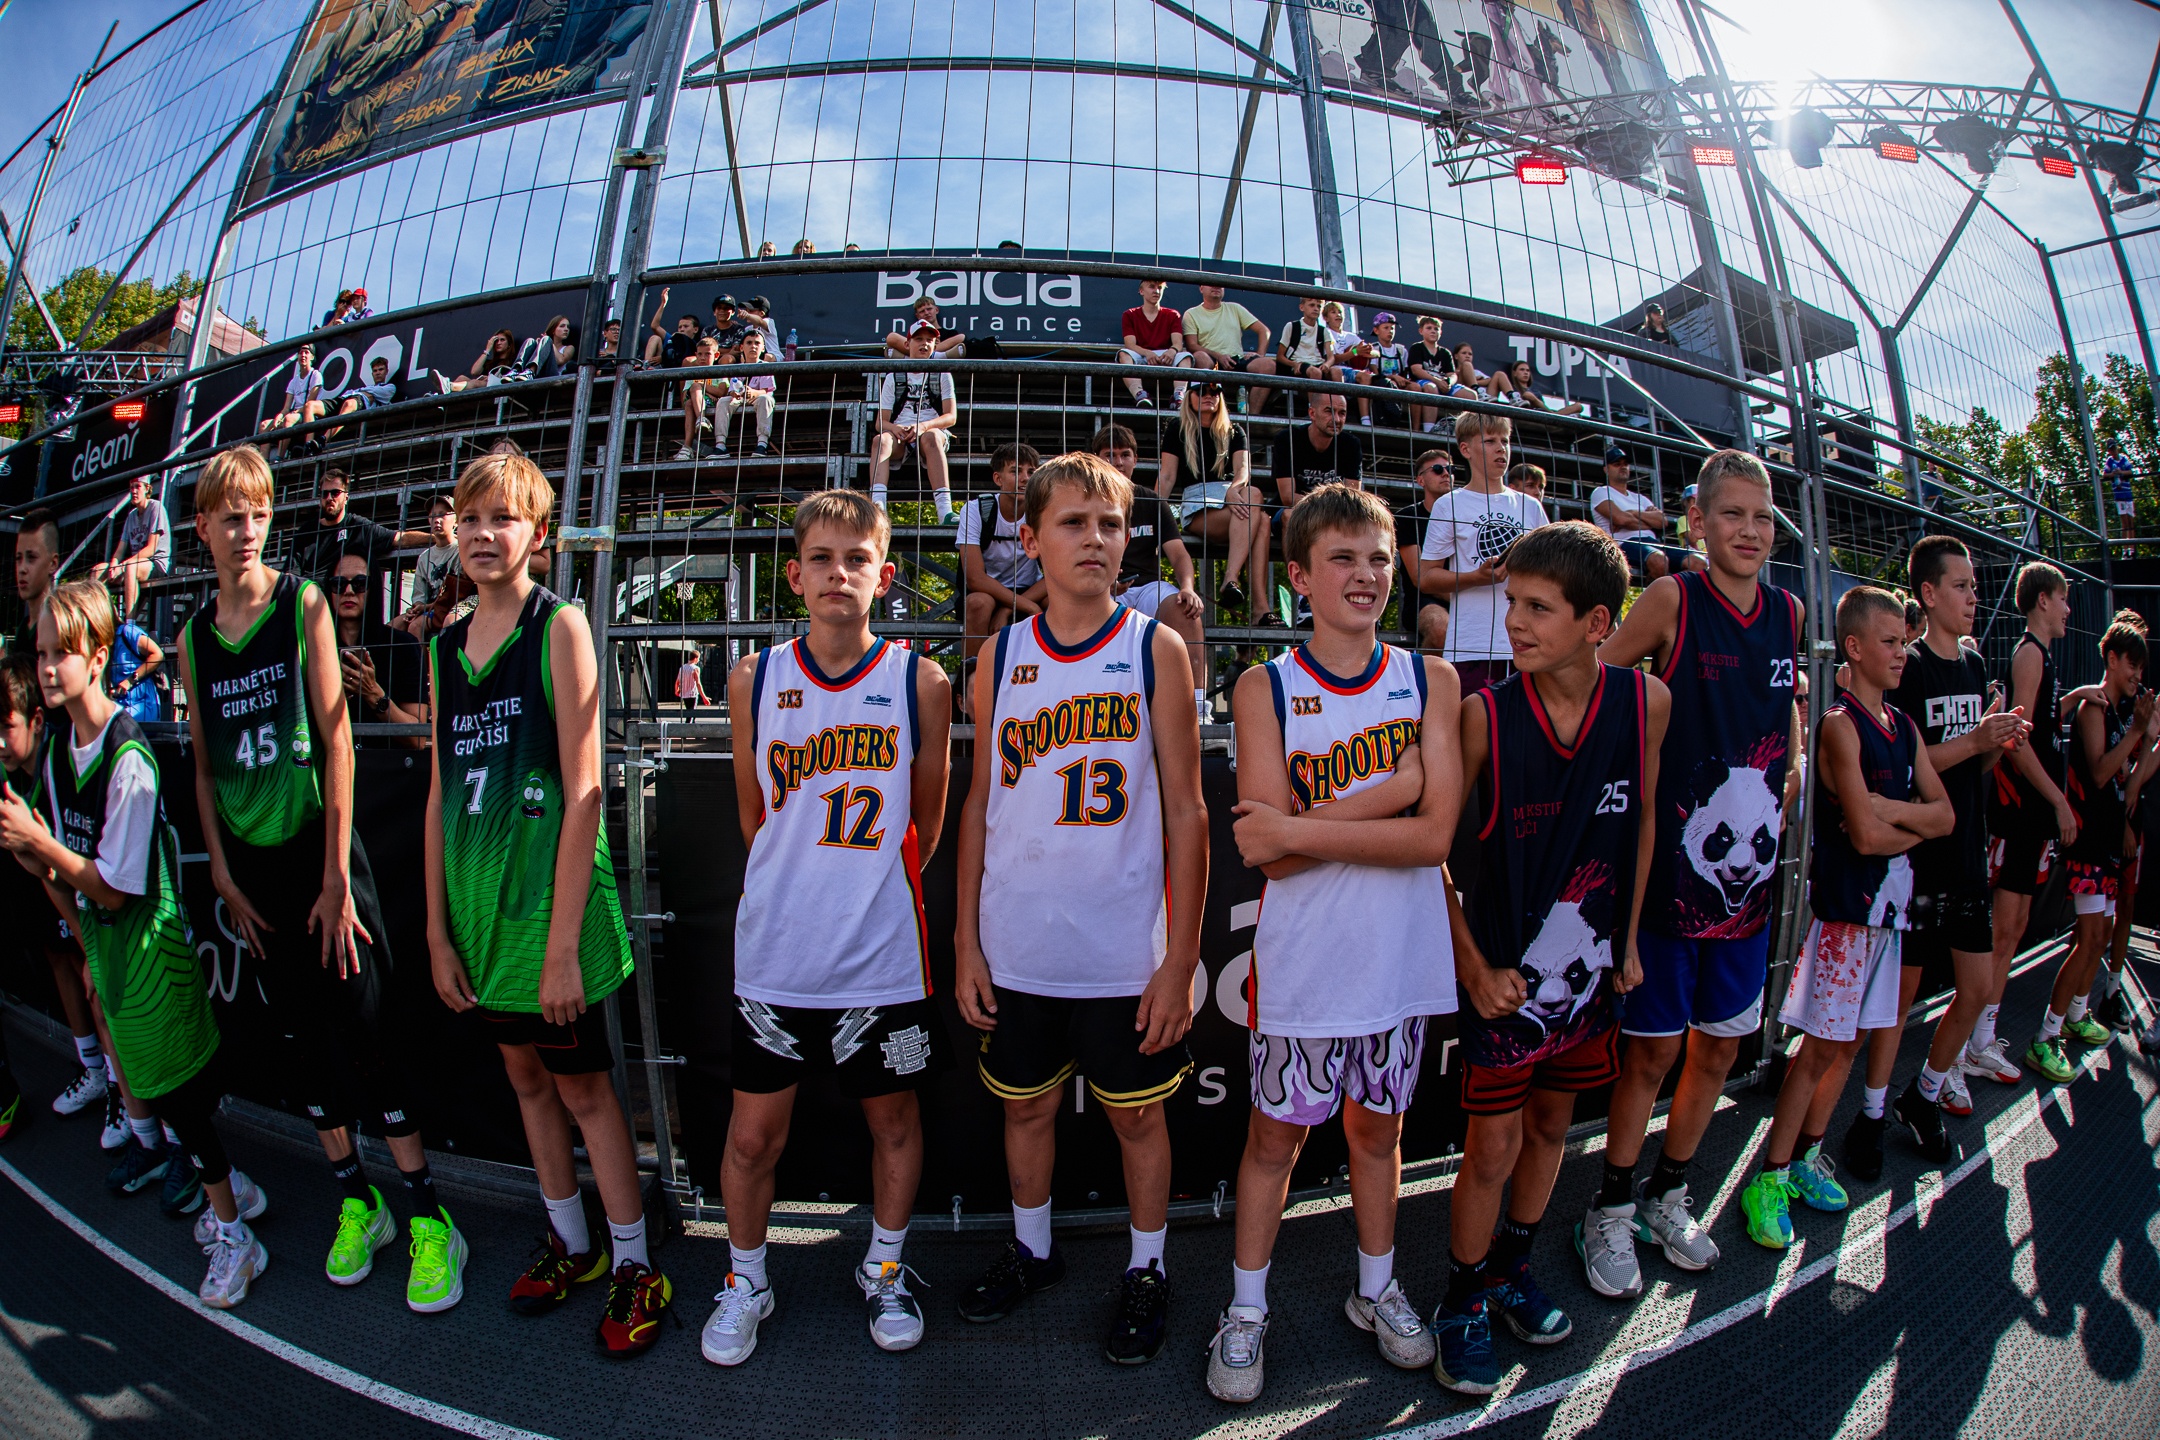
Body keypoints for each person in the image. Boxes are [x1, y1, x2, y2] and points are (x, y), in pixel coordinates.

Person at [177, 445, 461, 1308]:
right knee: (303, 1044)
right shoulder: (194, 637)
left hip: (321, 857)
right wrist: (223, 875)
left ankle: (427, 1216)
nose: (247, 530)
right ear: (203, 527)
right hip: (253, 874)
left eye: (260, 514)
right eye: (231, 516)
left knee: (366, 1033)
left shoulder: (300, 602)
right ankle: (357, 1202)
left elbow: (338, 738)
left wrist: (337, 874)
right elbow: (203, 767)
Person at [1205, 485, 1462, 1403]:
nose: (1366, 574)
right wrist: (1392, 791)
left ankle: (1375, 1287)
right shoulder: (1264, 685)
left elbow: (1434, 840)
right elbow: (1270, 859)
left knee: (1377, 1132)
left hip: (1397, 963)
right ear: (1300, 576)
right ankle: (1245, 1310)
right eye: (1343, 558)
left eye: (1380, 557)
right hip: (1307, 965)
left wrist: (1306, 825)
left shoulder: (1431, 680)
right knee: (1274, 1139)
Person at [952, 452, 1207, 1365]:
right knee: (1025, 1111)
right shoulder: (1000, 654)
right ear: (1028, 539)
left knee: (1137, 1117)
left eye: (1110, 523)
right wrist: (966, 941)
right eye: (1072, 522)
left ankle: (1148, 1267)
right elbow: (979, 803)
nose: (1095, 538)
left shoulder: (1154, 647)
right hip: (1018, 943)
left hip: (1121, 950)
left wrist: (1180, 959)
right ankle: (1033, 1249)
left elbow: (1187, 811)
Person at [424, 449, 669, 1355]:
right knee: (525, 1081)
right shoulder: (445, 645)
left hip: (549, 914)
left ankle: (636, 1263)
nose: (485, 534)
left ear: (540, 532)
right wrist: (436, 929)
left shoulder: (559, 625)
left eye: (504, 518)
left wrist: (563, 945)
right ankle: (573, 1243)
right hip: (479, 911)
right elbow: (439, 792)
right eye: (471, 518)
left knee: (586, 1092)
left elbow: (585, 789)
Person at [702, 491, 954, 1366]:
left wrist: (860, 891)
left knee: (894, 1125)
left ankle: (883, 1268)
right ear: (795, 574)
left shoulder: (920, 682)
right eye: (821, 557)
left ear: (885, 577)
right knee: (750, 1138)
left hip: (882, 961)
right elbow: (753, 817)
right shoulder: (754, 678)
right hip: (775, 955)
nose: (838, 573)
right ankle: (746, 1279)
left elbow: (926, 823)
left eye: (857, 559)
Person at [1431, 521, 1667, 1395]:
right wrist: (1472, 966)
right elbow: (1430, 856)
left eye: (1538, 608)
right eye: (1512, 603)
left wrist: (1629, 936)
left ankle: (1511, 1267)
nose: (1515, 623)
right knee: (1490, 1148)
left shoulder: (1646, 703)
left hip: (1589, 976)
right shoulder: (1484, 716)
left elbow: (1643, 823)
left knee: (1553, 1129)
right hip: (1504, 978)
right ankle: (1461, 1297)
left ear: (1598, 622)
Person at [0, 581, 271, 1308]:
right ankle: (233, 1193)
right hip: (114, 957)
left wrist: (41, 848)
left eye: (61, 653)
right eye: (41, 653)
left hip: (155, 957)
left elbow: (114, 889)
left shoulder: (129, 757)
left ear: (98, 657)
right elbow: (70, 883)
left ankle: (237, 1237)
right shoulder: (59, 752)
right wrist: (41, 866)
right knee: (168, 1099)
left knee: (182, 1103)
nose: (47, 668)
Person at [1586, 450, 1801, 1292]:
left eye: (1763, 516)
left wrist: (1793, 760)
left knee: (1719, 1049)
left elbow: (1783, 706)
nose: (1750, 530)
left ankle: (1668, 1195)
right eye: (1733, 514)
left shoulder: (1787, 611)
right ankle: (1608, 1206)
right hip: (1667, 886)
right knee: (1651, 1056)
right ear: (1698, 523)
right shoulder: (1674, 598)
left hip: (1748, 893)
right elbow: (1598, 681)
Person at [1738, 586, 1952, 1251]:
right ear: (1854, 648)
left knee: (1850, 1044)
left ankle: (1806, 1157)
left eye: (1904, 642)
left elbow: (1944, 815)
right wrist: (1906, 821)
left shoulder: (1904, 727)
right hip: (1845, 919)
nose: (1902, 653)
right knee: (1818, 1051)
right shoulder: (1839, 724)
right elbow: (1863, 834)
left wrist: (1895, 815)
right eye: (1890, 642)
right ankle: (1769, 1177)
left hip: (1888, 918)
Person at [1848, 536, 2028, 1177]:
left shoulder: (1974, 666)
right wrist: (1974, 739)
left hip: (1967, 853)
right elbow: (1908, 763)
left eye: (1974, 586)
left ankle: (1923, 1094)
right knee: (1899, 1000)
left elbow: (1972, 767)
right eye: (1961, 585)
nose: (1974, 596)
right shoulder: (1912, 667)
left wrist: (1997, 740)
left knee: (1976, 989)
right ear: (1928, 593)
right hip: (1919, 860)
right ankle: (1870, 1114)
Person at [2025, 612, 2160, 1084]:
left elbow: (2128, 780)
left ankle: (2077, 1014)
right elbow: (2101, 773)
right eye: (2132, 664)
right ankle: (2045, 1036)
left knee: (2098, 938)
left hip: (2106, 844)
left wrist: (2149, 739)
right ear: (2112, 659)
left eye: (2142, 667)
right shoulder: (2094, 709)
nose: (2137, 674)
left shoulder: (2122, 714)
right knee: (2087, 941)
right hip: (2085, 845)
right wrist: (2138, 733)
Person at [1980, 564, 2080, 1087]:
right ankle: (1974, 1041)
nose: (2068, 609)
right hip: (2020, 813)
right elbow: (2016, 743)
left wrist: (2080, 695)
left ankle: (1982, 1035)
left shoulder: (2042, 656)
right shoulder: (2028, 653)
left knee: (2014, 929)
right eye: (2062, 599)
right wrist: (2060, 802)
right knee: (2004, 932)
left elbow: (2040, 727)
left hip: (2031, 817)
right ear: (2042, 600)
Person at [1419, 410, 1547, 693]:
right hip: (1471, 645)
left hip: (1529, 644)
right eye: (1490, 441)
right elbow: (1426, 578)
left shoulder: (1531, 507)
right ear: (1465, 449)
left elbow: (1550, 572)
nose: (1501, 448)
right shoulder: (1449, 504)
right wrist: (1476, 577)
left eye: (1505, 440)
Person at [1093, 425, 1210, 726]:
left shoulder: (1152, 501)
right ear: (1096, 459)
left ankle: (1198, 711)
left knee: (1186, 609)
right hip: (1101, 588)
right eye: (1109, 455)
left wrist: (1188, 587)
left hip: (1147, 586)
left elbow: (1179, 554)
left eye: (1125, 454)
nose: (1118, 462)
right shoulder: (1087, 501)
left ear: (1136, 459)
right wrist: (1103, 584)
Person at [1157, 383, 1277, 628]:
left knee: (1258, 508)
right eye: (1202, 391)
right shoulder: (1178, 429)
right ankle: (1255, 603)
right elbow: (1167, 476)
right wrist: (1153, 514)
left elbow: (1243, 471)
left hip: (1232, 500)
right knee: (1260, 518)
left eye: (1215, 391)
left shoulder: (1234, 431)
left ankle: (1239, 587)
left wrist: (1233, 490)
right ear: (1189, 396)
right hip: (1199, 505)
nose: (1209, 396)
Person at [959, 443, 1046, 679]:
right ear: (998, 478)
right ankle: (972, 680)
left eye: (1031, 472)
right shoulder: (976, 510)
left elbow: (1056, 573)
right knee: (979, 603)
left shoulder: (1042, 512)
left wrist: (1009, 608)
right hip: (988, 589)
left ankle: (1048, 675)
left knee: (1057, 600)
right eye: (1016, 471)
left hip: (1029, 589)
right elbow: (974, 578)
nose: (1025, 478)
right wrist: (1026, 606)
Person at [868, 322, 958, 522]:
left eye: (929, 340)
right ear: (907, 344)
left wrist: (923, 426)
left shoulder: (943, 373)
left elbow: (951, 417)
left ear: (935, 345)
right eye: (919, 339)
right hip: (901, 434)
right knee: (880, 440)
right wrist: (895, 428)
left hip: (931, 432)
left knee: (931, 437)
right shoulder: (894, 375)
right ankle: (877, 510)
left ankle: (945, 511)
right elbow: (880, 422)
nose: (924, 344)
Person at [329, 554, 427, 730]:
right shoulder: (313, 647)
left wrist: (373, 693)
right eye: (339, 583)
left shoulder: (402, 646)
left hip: (384, 748)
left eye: (360, 583)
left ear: (373, 587)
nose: (349, 591)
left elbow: (417, 736)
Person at [288, 469, 431, 583]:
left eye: (335, 493)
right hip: (308, 597)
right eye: (325, 494)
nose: (329, 498)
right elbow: (291, 574)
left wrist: (436, 538)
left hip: (339, 596)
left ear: (346, 497)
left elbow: (400, 538)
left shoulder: (357, 526)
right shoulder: (305, 532)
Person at [1590, 447, 1689, 581]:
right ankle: (1657, 592)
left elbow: (1662, 522)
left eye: (1625, 464)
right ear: (1606, 469)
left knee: (1698, 562)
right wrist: (1649, 522)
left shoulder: (1640, 498)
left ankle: (1678, 593)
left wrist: (1632, 513)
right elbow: (1621, 519)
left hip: (1652, 543)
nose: (1623, 467)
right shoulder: (1601, 492)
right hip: (1623, 544)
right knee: (1659, 561)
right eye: (1617, 464)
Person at [1180, 284, 1277, 414]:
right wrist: (1219, 356)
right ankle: (1210, 413)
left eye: (1221, 283)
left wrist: (1259, 354)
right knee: (1199, 357)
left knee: (1268, 365)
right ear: (1201, 288)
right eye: (1211, 283)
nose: (1217, 286)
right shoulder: (1191, 314)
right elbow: (1191, 345)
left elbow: (1264, 331)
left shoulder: (1235, 308)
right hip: (1211, 361)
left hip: (1237, 359)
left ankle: (1253, 417)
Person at [1269, 392, 1365, 517]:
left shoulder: (1351, 445)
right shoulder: (1288, 439)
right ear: (1312, 413)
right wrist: (1327, 507)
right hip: (1297, 511)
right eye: (1329, 411)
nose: (1336, 419)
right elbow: (1288, 498)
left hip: (1334, 515)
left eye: (1342, 413)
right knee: (1289, 515)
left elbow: (1351, 497)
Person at [1397, 450, 1453, 656]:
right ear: (1420, 480)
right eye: (1437, 469)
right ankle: (1424, 677)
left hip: (1466, 597)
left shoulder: (1466, 517)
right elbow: (1420, 578)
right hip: (1423, 601)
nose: (1446, 473)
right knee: (1441, 629)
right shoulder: (1408, 517)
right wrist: (1467, 598)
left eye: (1450, 469)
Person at [92, 475, 170, 621]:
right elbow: (120, 550)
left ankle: (130, 623)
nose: (133, 491)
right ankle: (108, 620)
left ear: (147, 489)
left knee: (130, 567)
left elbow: (151, 548)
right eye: (131, 488)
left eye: (137, 487)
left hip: (155, 564)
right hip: (133, 564)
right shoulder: (131, 516)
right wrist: (114, 565)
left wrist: (123, 565)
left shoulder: (156, 508)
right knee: (97, 571)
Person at [1117, 279, 1195, 408]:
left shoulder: (1172, 314)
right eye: (1152, 287)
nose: (1156, 291)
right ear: (1141, 291)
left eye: (1160, 288)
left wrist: (1172, 351)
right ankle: (1140, 394)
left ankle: (1179, 396)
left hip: (1165, 354)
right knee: (1124, 354)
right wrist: (1147, 353)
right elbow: (1130, 344)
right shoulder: (1129, 314)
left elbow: (1177, 343)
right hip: (1141, 354)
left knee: (1185, 357)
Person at [393, 496, 461, 638]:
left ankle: (422, 654)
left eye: (443, 514)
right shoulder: (424, 557)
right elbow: (420, 595)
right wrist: (416, 608)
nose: (437, 520)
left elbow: (457, 595)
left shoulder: (461, 551)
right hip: (427, 610)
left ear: (456, 520)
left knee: (416, 626)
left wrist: (426, 607)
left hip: (450, 608)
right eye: (433, 516)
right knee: (392, 627)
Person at [1354, 313, 1424, 428]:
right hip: (1382, 383)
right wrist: (1392, 377)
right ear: (1376, 330)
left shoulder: (1401, 350)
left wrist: (1403, 380)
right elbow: (1375, 374)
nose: (1390, 331)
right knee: (1391, 384)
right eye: (1386, 328)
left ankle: (1416, 429)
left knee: (1415, 387)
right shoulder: (1373, 349)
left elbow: (1406, 372)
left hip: (1399, 383)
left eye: (1392, 328)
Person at [720, 328, 778, 458]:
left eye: (757, 343)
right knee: (723, 401)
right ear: (741, 347)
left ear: (763, 348)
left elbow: (766, 390)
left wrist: (753, 392)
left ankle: (762, 444)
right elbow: (731, 390)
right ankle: (720, 445)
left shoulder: (766, 366)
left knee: (765, 399)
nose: (753, 346)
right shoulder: (737, 368)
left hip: (758, 398)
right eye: (749, 343)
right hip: (740, 399)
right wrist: (734, 394)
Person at [259, 344, 325, 456]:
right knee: (264, 425)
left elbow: (310, 403)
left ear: (312, 357)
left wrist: (293, 413)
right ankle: (264, 460)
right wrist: (279, 416)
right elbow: (286, 408)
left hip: (307, 414)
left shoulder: (315, 375)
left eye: (306, 352)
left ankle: (279, 457)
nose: (303, 355)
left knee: (288, 419)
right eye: (300, 353)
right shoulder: (293, 381)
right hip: (294, 414)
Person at [677, 335, 735, 461]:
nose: (703, 358)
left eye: (707, 354)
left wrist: (702, 386)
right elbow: (686, 394)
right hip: (696, 403)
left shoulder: (719, 371)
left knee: (695, 387)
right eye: (700, 354)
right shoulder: (692, 373)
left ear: (716, 355)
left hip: (716, 404)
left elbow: (722, 391)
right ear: (696, 355)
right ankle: (688, 446)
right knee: (689, 403)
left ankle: (689, 444)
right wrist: (708, 393)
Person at [1275, 296, 1342, 404]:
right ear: (1302, 307)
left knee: (1337, 371)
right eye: (1311, 305)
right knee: (1315, 372)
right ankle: (1314, 408)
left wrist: (1327, 365)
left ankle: (1338, 406)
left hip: (1318, 363)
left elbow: (1331, 357)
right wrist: (1294, 364)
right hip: (1299, 364)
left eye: (1318, 306)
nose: (1316, 309)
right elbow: (1280, 356)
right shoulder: (1292, 326)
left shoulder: (1324, 331)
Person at [326, 356, 401, 438]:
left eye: (381, 369)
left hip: (372, 426)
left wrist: (360, 391)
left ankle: (324, 439)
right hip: (353, 419)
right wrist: (363, 391)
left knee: (349, 404)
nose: (378, 373)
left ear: (386, 371)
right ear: (372, 374)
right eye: (375, 371)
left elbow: (381, 392)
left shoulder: (390, 387)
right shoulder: (366, 388)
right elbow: (346, 394)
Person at [107, 616, 164, 723]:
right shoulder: (105, 644)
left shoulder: (128, 631)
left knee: (116, 724)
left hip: (143, 704)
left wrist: (130, 680)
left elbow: (158, 655)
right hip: (120, 706)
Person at [1406, 316, 1452, 432]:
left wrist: (1449, 383)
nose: (1433, 331)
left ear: (1440, 332)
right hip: (1424, 382)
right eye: (1429, 328)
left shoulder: (1445, 352)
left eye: (1436, 329)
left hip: (1442, 383)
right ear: (1421, 331)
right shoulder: (1417, 348)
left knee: (1470, 395)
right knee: (1431, 387)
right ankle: (1429, 430)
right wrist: (1437, 381)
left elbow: (1452, 374)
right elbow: (1416, 370)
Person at [1489, 359, 1582, 416]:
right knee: (1527, 395)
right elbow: (1493, 379)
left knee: (1578, 406)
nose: (1525, 373)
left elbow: (1542, 406)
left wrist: (1535, 400)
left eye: (1528, 371)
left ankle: (1555, 415)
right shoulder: (1510, 387)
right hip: (1522, 413)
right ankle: (1557, 415)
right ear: (1514, 373)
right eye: (1522, 370)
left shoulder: (1536, 392)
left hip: (1542, 413)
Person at [884, 295, 966, 358]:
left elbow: (961, 338)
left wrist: (932, 348)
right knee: (892, 337)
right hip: (913, 372)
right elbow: (891, 338)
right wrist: (933, 349)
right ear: (917, 316)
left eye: (929, 309)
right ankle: (937, 356)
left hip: (940, 371)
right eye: (922, 311)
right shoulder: (913, 332)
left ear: (936, 310)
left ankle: (906, 358)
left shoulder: (950, 333)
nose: (926, 313)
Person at [449, 330, 518, 390]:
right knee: (461, 378)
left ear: (509, 344)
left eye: (502, 340)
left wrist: (490, 378)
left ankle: (449, 386)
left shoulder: (513, 361)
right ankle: (448, 389)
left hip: (497, 389)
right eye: (496, 341)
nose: (498, 343)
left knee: (475, 382)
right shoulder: (490, 363)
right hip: (483, 387)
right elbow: (474, 372)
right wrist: (487, 350)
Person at [673, 647, 709, 721]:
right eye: (698, 658)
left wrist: (676, 690)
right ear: (695, 658)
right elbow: (698, 683)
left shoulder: (682, 668)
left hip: (684, 694)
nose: (698, 660)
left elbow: (677, 682)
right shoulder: (695, 668)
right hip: (693, 694)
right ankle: (688, 727)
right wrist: (704, 697)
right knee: (692, 714)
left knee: (689, 713)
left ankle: (690, 725)